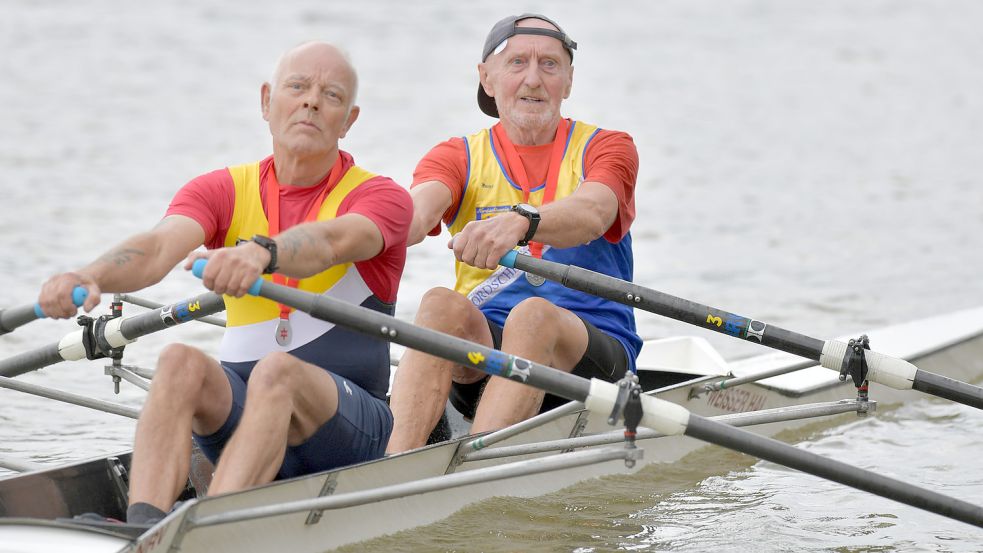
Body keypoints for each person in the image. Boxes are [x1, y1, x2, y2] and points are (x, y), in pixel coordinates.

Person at [37, 42, 411, 524]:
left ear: (349, 120)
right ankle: (144, 527)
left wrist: (263, 252)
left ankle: (206, 530)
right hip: (243, 420)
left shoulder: (379, 196)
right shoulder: (222, 189)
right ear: (265, 102)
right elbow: (155, 249)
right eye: (297, 87)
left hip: (349, 433)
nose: (311, 101)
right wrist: (90, 275)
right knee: (178, 361)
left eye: (331, 95)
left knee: (277, 371)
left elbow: (333, 241)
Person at [386, 14, 640, 453]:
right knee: (438, 304)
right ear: (487, 78)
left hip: (590, 359)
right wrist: (355, 235)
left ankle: (476, 465)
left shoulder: (607, 147)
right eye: (517, 62)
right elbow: (411, 214)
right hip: (485, 358)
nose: (534, 79)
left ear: (569, 81)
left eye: (549, 65)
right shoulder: (457, 156)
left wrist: (524, 222)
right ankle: (393, 462)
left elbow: (595, 211)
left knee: (533, 315)